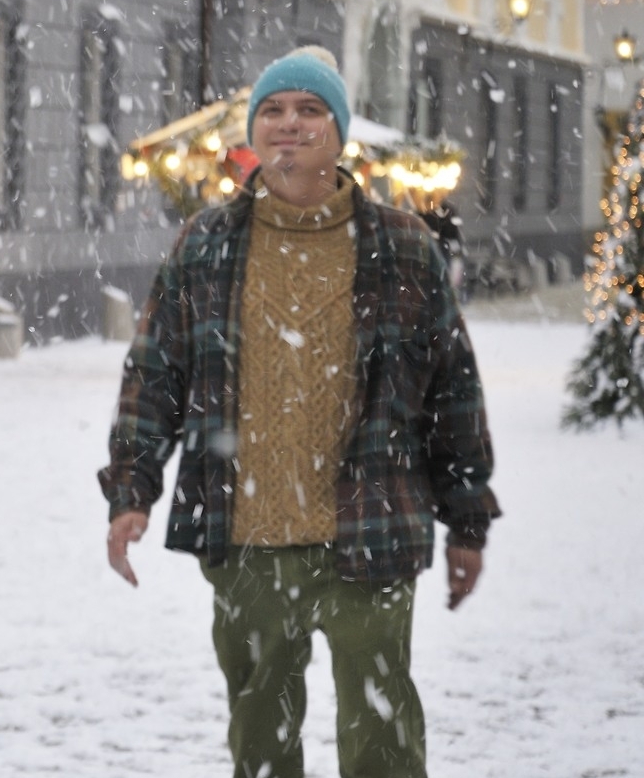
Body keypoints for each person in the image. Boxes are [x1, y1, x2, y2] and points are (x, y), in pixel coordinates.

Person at [100, 46, 499, 778]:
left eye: (309, 110)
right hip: (247, 538)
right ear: (253, 132)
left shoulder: (404, 247)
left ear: (337, 131)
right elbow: (155, 373)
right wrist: (132, 489)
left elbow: (452, 391)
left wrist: (467, 518)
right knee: (259, 741)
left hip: (369, 532)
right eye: (273, 110)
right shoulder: (207, 244)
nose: (289, 124)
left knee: (384, 740)